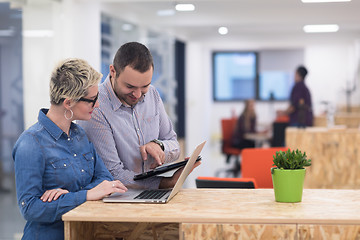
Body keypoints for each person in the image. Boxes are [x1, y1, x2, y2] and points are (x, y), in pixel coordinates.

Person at [12, 58, 128, 240]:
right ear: (68, 103)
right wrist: (87, 194)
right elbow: (30, 208)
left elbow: (105, 179)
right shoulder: (30, 143)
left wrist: (74, 196)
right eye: (92, 100)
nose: (97, 105)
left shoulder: (80, 135)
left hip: (81, 232)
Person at [78, 42, 189, 190]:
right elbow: (112, 173)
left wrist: (160, 146)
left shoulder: (153, 95)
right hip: (118, 198)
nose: (137, 94)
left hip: (150, 195)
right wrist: (165, 183)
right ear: (113, 71)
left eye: (144, 86)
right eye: (129, 86)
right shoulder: (96, 107)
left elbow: (173, 143)